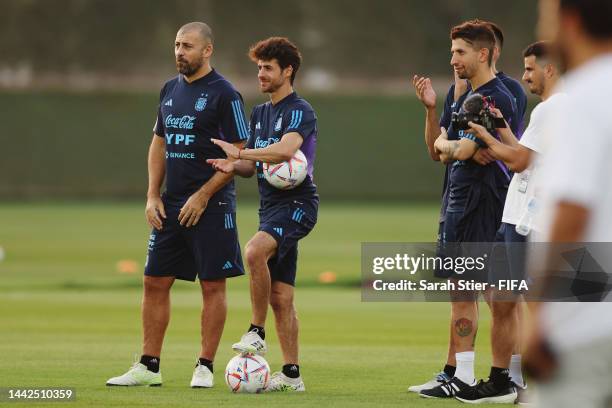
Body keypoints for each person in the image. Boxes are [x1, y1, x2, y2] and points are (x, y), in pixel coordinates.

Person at [106, 22, 249, 388]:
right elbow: (159, 144)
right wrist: (153, 194)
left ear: (207, 50)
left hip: (212, 207)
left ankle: (204, 366)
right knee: (154, 281)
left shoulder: (226, 94)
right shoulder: (169, 89)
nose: (179, 52)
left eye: (187, 46)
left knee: (212, 285)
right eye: (176, 45)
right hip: (170, 205)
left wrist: (203, 194)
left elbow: (240, 157)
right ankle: (148, 366)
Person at [409, 19, 527, 394]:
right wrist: (435, 119)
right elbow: (438, 151)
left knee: (491, 296)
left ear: (483, 53)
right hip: (459, 201)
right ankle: (467, 374)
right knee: (468, 293)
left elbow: (461, 150)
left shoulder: (497, 96)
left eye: (459, 52)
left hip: (484, 202)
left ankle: (482, 376)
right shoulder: (462, 97)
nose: (453, 59)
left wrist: (452, 147)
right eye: (452, 52)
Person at [208, 37, 318, 392]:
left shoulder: (301, 109)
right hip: (270, 207)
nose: (261, 74)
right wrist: (233, 162)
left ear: (288, 71)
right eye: (259, 68)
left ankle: (256, 331)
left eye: (268, 68)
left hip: (298, 205)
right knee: (282, 297)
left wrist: (245, 154)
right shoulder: (259, 113)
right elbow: (250, 167)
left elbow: (285, 151)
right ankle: (291, 375)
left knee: (254, 250)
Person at [465, 40, 565, 403]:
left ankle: (528, 384)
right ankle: (506, 382)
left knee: (532, 305)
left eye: (529, 69)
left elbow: (518, 162)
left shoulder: (553, 108)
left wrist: (483, 135)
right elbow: (525, 154)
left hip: (531, 220)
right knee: (504, 299)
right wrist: (503, 128)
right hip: (519, 215)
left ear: (549, 68)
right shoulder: (554, 109)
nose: (524, 77)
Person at [523, 1, 612, 407]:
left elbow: (572, 214)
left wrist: (539, 315)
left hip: (588, 321)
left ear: (570, 21)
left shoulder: (579, 97)